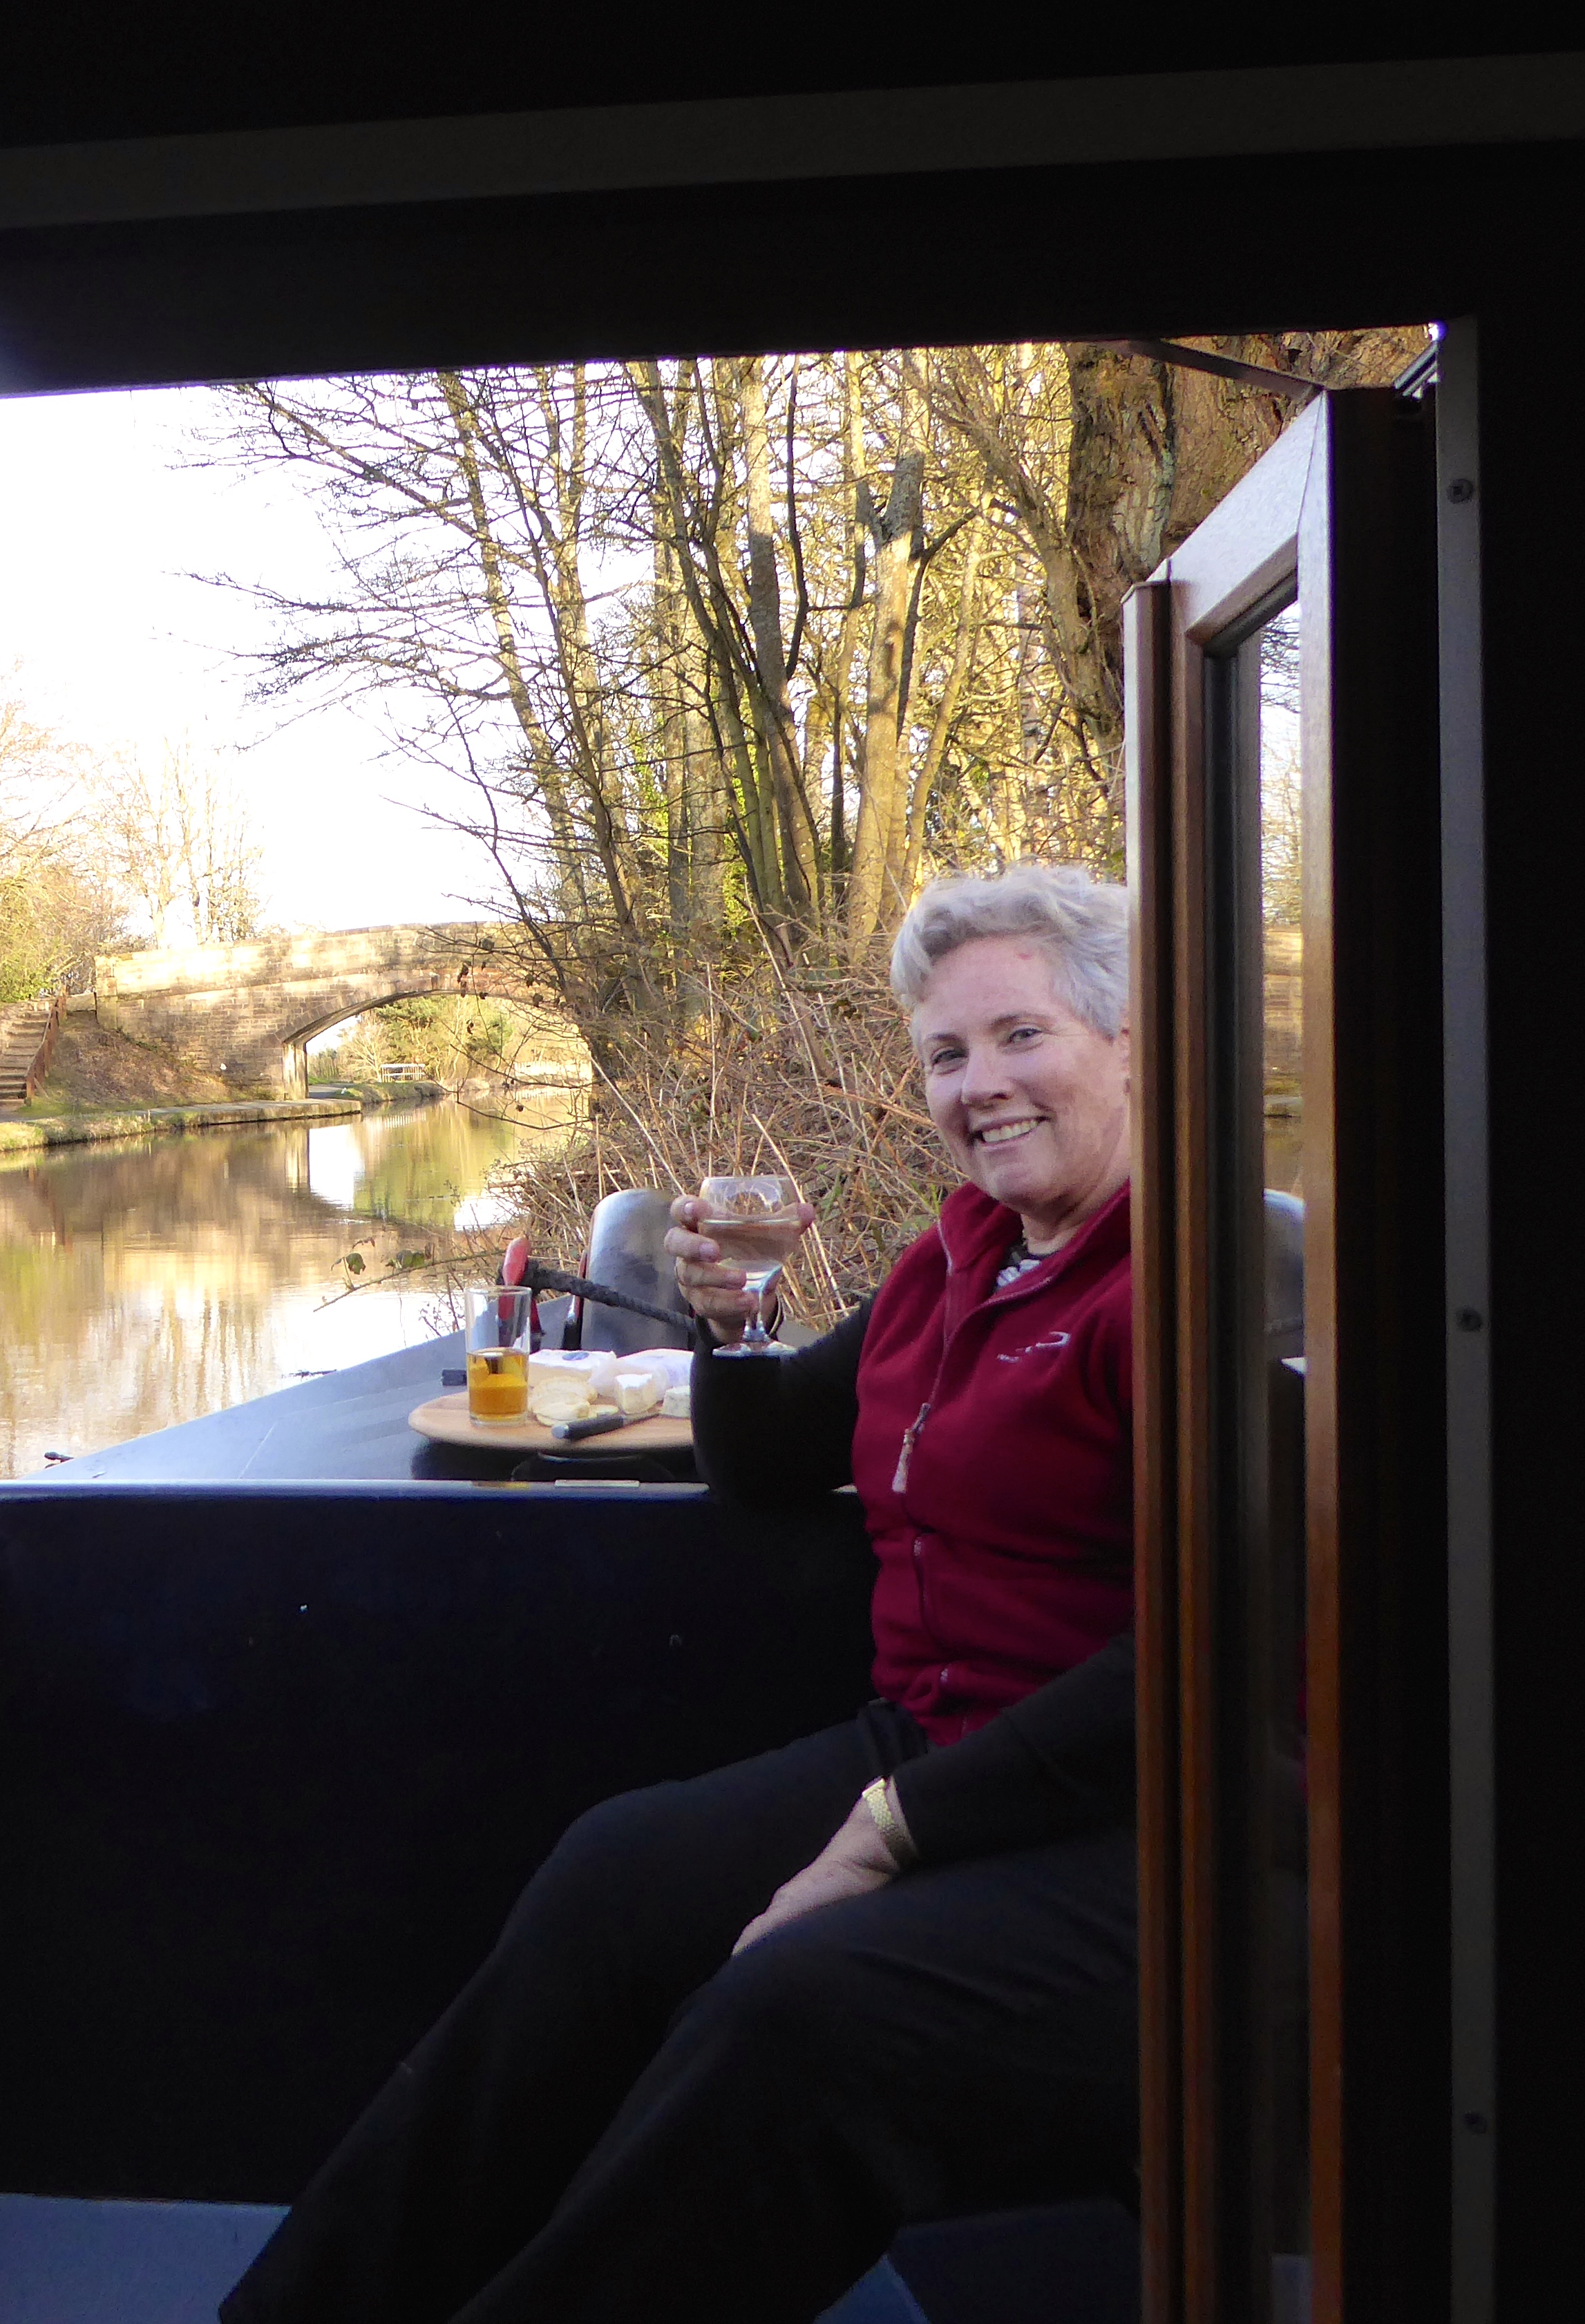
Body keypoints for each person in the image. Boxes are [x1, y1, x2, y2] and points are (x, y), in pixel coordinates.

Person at [222, 865, 1140, 2324]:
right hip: (936, 1749)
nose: (981, 1087)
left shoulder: (1200, 1277)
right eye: (947, 1055)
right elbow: (775, 1463)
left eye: (1021, 1038)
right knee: (613, 1876)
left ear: (1132, 1042)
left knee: (801, 2020)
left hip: (1144, 1821)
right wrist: (742, 1320)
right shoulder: (959, 1259)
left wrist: (895, 1833)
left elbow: (1213, 1656)